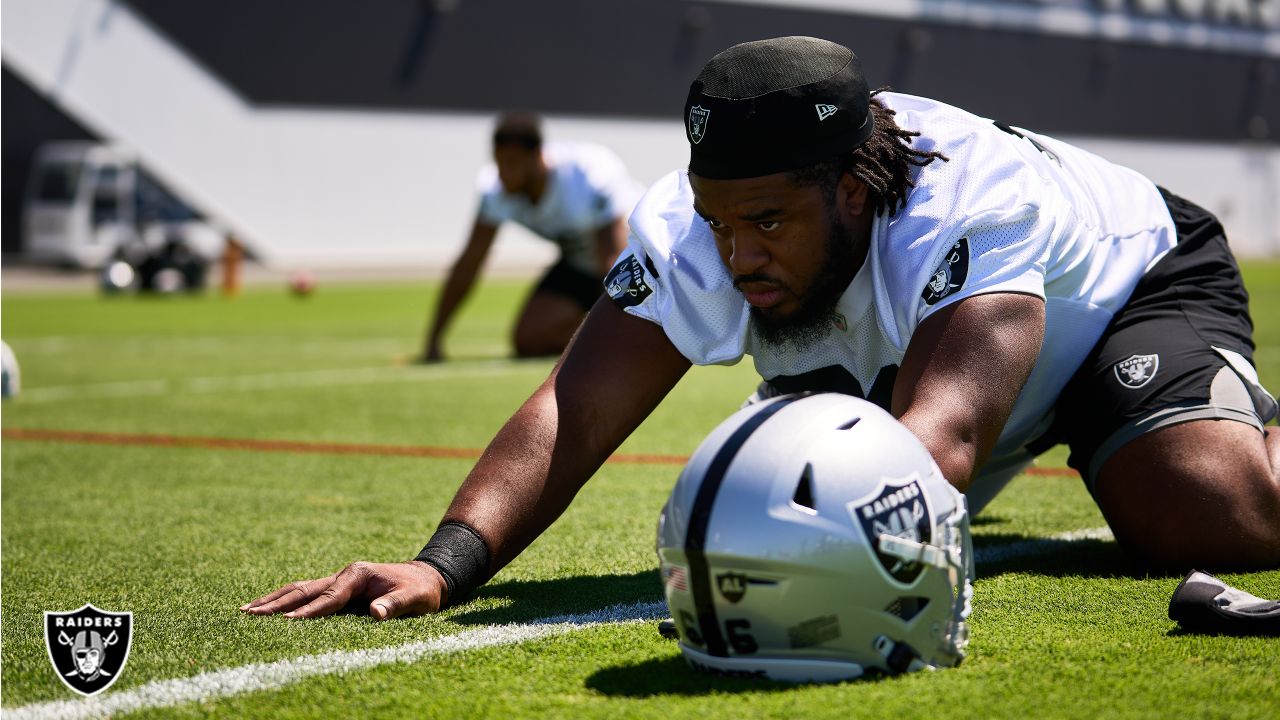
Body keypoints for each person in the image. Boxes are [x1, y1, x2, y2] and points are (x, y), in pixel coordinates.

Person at [246, 36, 1280, 622]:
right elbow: (576, 405)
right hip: (922, 357)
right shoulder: (704, 223)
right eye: (715, 221)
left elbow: (946, 440)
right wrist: (443, 563)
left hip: (1123, 292)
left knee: (1194, 513)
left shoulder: (972, 202)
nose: (734, 255)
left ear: (853, 191)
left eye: (766, 222)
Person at [420, 112, 641, 361]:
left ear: (537, 155)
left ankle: (637, 333)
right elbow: (471, 260)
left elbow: (612, 258)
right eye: (499, 162)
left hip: (637, 262)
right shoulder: (495, 189)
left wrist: (625, 320)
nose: (504, 173)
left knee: (626, 329)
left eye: (512, 163)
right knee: (529, 339)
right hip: (580, 264)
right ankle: (605, 337)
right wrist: (434, 339)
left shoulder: (588, 175)